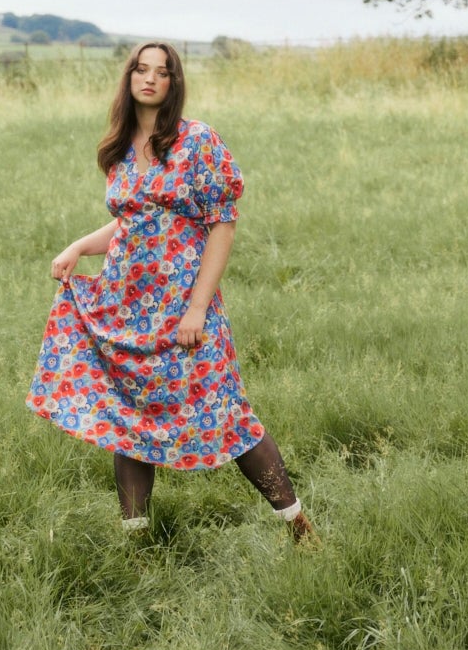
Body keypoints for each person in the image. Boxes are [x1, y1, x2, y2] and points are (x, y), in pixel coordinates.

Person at [26, 42, 316, 543]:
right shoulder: (120, 145)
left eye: (162, 72)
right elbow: (129, 222)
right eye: (142, 69)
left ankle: (300, 529)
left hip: (184, 305)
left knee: (228, 414)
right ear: (130, 78)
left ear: (173, 83)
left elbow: (222, 223)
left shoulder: (196, 141)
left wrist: (197, 308)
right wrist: (78, 246)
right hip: (127, 307)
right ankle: (136, 547)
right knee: (128, 419)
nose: (150, 78)